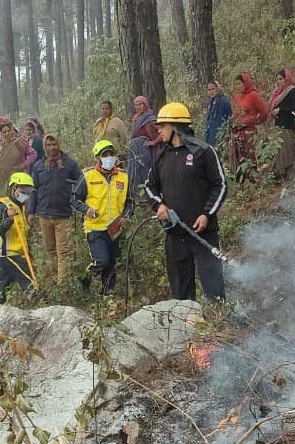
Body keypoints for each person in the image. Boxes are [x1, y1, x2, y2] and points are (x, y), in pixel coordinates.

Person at [145, 103, 227, 302]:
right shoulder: (160, 156)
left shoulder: (203, 152)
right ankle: (187, 328)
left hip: (203, 234)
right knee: (181, 293)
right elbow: (149, 187)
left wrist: (206, 214)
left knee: (213, 286)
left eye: (162, 126)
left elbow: (221, 185)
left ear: (174, 127)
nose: (159, 131)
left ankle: (219, 321)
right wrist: (159, 205)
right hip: (175, 234)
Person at [72, 141, 133, 295]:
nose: (109, 157)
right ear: (97, 157)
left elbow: (130, 202)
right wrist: (87, 209)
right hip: (95, 228)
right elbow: (74, 199)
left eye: (111, 154)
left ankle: (106, 295)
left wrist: (126, 217)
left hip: (115, 229)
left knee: (112, 264)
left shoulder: (124, 177)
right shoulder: (88, 175)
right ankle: (85, 277)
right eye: (105, 155)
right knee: (102, 261)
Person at [28, 133, 79, 285]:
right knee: (51, 250)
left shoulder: (70, 164)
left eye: (54, 144)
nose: (52, 148)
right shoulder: (38, 166)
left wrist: (78, 205)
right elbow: (34, 190)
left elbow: (81, 184)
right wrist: (31, 212)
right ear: (44, 147)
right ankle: (57, 276)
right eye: (49, 145)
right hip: (44, 215)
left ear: (59, 144)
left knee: (63, 251)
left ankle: (62, 284)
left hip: (63, 215)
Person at [0, 172, 37, 304]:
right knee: (29, 279)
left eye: (28, 192)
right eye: (23, 191)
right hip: (6, 253)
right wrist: (9, 219)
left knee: (3, 287)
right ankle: (39, 302)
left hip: (18, 252)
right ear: (14, 188)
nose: (26, 195)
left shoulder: (20, 207)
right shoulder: (3, 206)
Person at [229, 72, 269, 179]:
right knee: (240, 156)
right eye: (236, 84)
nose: (238, 87)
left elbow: (264, 111)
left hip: (249, 132)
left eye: (239, 84)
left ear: (245, 83)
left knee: (250, 155)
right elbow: (236, 112)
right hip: (238, 131)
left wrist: (255, 121)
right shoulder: (238, 97)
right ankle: (243, 179)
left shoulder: (253, 95)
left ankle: (254, 178)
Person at [0, 117, 37, 199]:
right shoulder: (0, 146)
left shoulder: (19, 142)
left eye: (8, 131)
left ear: (12, 131)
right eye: (4, 132)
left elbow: (33, 154)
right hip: (2, 179)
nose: (7, 133)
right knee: (5, 201)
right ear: (0, 133)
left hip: (17, 177)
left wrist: (23, 165)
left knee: (19, 199)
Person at [268, 68, 295, 180]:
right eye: (277, 79)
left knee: (287, 149)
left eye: (281, 79)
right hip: (278, 125)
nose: (278, 81)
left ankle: (289, 173)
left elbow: (294, 108)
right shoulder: (277, 93)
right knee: (279, 150)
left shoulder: (291, 90)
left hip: (287, 125)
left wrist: (280, 110)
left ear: (286, 78)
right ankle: (280, 173)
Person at [128, 96, 162, 188]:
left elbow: (162, 132)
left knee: (147, 171)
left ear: (145, 105)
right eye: (136, 105)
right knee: (136, 171)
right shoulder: (135, 118)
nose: (138, 107)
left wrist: (154, 142)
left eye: (140, 104)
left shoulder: (151, 119)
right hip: (136, 150)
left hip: (148, 151)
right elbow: (134, 133)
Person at [203, 80, 232, 147]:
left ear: (217, 88)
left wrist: (227, 135)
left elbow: (229, 119)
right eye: (209, 90)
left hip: (220, 136)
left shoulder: (225, 102)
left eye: (213, 89)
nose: (211, 92)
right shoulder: (210, 103)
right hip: (209, 136)